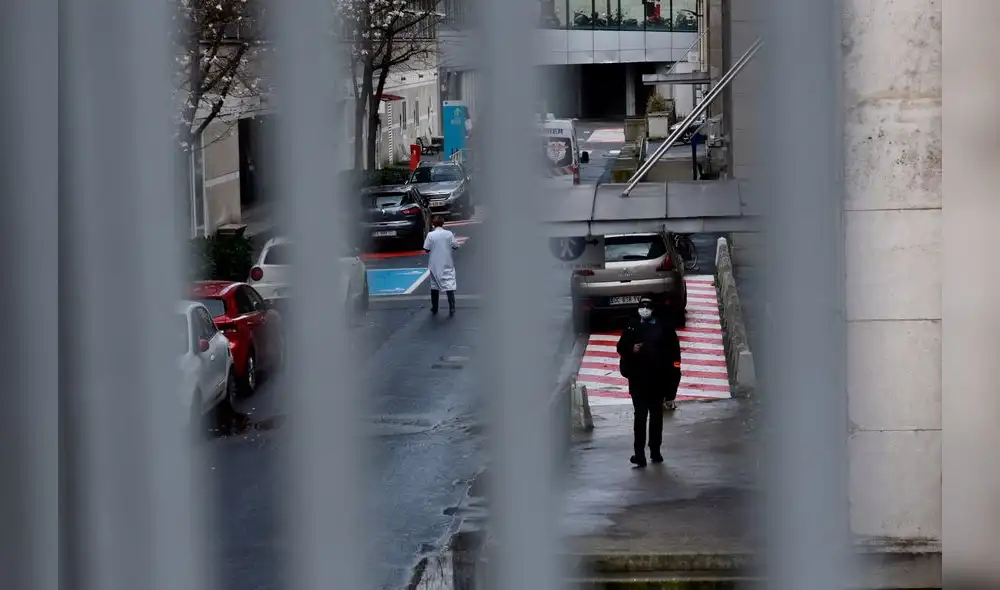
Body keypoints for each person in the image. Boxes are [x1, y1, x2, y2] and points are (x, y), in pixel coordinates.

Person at [616, 297, 682, 468]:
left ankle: (655, 450)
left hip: (658, 381)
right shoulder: (632, 326)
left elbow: (675, 356)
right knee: (639, 417)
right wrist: (632, 349)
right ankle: (639, 454)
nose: (644, 310)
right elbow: (621, 347)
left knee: (656, 417)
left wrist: (672, 384)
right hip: (638, 381)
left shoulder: (664, 328)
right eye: (641, 306)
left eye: (647, 307)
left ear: (653, 309)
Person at [423, 215, 459, 316]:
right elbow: (455, 246)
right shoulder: (449, 234)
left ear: (433, 224)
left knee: (434, 286)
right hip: (447, 262)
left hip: (434, 263)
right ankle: (452, 307)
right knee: (449, 284)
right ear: (443, 223)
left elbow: (426, 249)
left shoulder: (430, 235)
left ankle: (434, 308)